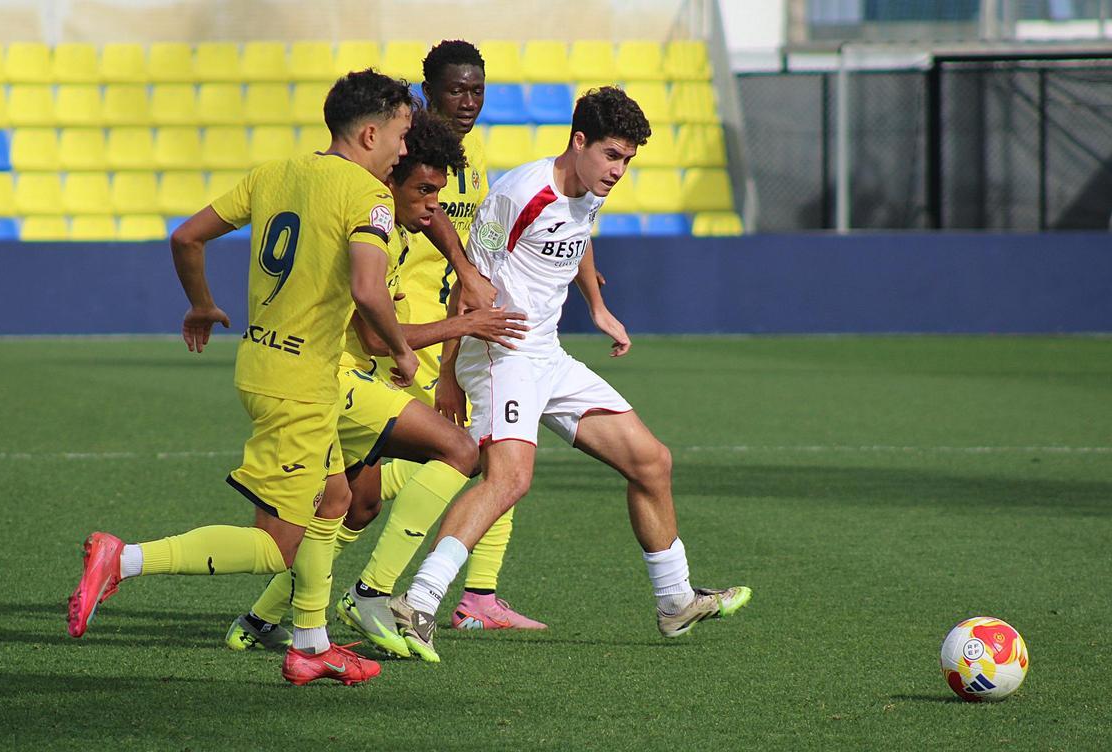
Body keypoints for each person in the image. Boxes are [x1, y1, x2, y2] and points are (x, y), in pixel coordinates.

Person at [66, 70, 418, 687]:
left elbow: (187, 237)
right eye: (401, 135)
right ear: (368, 134)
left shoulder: (273, 173)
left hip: (264, 365)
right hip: (301, 386)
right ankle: (125, 559)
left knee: (334, 499)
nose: (404, 150)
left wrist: (201, 304)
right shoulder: (370, 196)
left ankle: (310, 643)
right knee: (278, 545)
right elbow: (367, 288)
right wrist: (401, 351)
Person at [389, 87, 752, 662]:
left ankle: (675, 601)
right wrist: (452, 374)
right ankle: (419, 600)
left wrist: (598, 308)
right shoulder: (518, 194)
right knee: (509, 480)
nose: (619, 170)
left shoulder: (590, 188)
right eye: (612, 155)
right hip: (500, 349)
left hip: (548, 356)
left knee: (651, 461)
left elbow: (578, 237)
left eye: (628, 160)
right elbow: (468, 283)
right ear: (578, 142)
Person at [224, 109, 530, 659]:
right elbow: (369, 333)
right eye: (426, 191)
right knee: (460, 449)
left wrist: (462, 269)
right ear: (391, 176)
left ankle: (263, 618)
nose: (436, 206)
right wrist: (458, 326)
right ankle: (372, 594)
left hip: (328, 377)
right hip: (328, 381)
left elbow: (429, 219)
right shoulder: (371, 222)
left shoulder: (392, 212)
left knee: (353, 506)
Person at [351, 40, 548, 646]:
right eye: (456, 90)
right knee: (367, 486)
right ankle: (317, 585)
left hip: (455, 329)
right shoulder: (404, 150)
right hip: (405, 332)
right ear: (427, 92)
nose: (469, 102)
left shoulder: (473, 154)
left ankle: (477, 595)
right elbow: (422, 222)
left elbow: (464, 228)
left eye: (478, 91)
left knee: (493, 454)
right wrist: (462, 280)